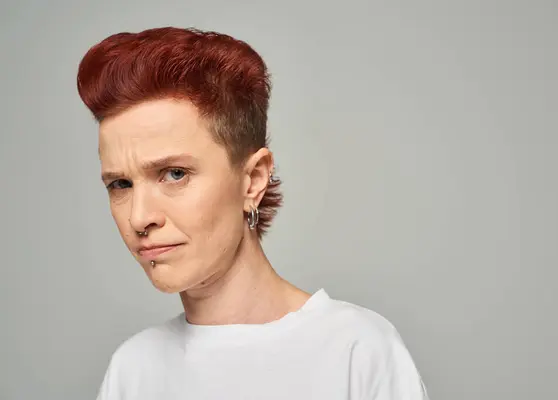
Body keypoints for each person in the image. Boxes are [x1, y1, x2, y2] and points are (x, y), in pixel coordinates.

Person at [77, 26, 429, 400]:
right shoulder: (133, 370)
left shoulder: (356, 351)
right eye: (120, 185)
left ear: (253, 180)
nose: (139, 217)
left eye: (175, 174)